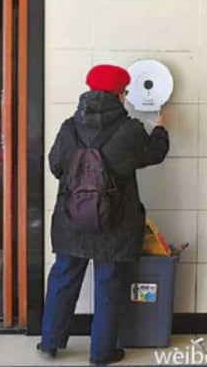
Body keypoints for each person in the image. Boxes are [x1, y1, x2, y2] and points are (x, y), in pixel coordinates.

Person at [37, 64, 169, 365]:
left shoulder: (69, 126)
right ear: (119, 95)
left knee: (63, 277)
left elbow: (56, 166)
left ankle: (50, 341)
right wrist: (160, 129)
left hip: (72, 218)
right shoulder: (130, 130)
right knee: (109, 283)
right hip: (115, 220)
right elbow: (154, 155)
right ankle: (102, 352)